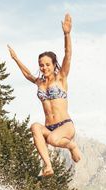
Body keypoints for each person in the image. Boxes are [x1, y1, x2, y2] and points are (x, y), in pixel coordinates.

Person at [7, 13, 82, 177]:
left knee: (53, 140)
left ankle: (71, 146)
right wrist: (16, 59)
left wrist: (67, 34)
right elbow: (27, 74)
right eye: (41, 65)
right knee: (35, 126)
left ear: (54, 64)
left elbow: (68, 54)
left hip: (65, 126)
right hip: (50, 128)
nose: (44, 67)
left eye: (47, 64)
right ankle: (48, 166)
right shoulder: (40, 82)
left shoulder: (61, 78)